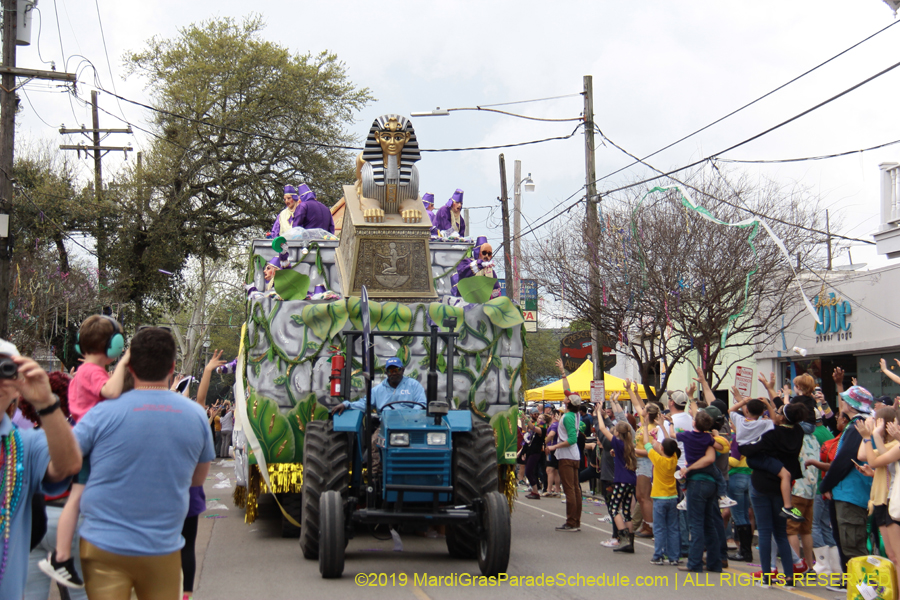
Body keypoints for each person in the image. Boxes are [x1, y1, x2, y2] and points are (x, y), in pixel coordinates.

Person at [72, 327, 215, 600]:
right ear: (172, 367)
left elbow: (67, 461)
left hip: (102, 544)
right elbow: (196, 481)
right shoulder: (196, 416)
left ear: (131, 367)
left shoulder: (100, 414)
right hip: (162, 546)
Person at [39, 315, 131, 589]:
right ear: (112, 345)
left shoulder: (86, 370)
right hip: (89, 443)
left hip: (88, 440)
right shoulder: (92, 371)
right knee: (77, 498)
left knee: (82, 498)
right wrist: (125, 363)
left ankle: (65, 555)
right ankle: (61, 556)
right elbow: (112, 392)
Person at [0, 339, 82, 600]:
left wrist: (46, 402)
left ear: (16, 388)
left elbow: (68, 465)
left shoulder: (23, 445)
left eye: (4, 369)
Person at [744, 402, 809, 587]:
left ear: (782, 417)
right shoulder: (798, 432)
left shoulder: (772, 433)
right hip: (784, 487)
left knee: (764, 531)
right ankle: (789, 576)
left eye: (779, 411)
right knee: (781, 532)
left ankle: (767, 574)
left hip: (763, 482)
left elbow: (751, 449)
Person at [331, 357, 426, 475]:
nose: (394, 373)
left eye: (396, 369)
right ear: (386, 373)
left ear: (402, 370)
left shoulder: (414, 385)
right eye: (390, 371)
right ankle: (375, 476)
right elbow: (364, 404)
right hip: (387, 425)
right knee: (375, 442)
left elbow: (421, 404)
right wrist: (346, 404)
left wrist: (410, 418)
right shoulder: (378, 390)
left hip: (411, 424)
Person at [819, 385, 874, 586]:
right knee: (848, 544)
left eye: (843, 400)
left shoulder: (858, 426)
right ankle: (855, 589)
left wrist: (825, 485)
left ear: (850, 404)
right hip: (848, 493)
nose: (840, 403)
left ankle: (863, 591)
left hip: (851, 494)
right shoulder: (857, 425)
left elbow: (844, 461)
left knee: (853, 547)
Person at [676, 409, 724, 573]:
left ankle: (695, 562)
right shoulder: (709, 439)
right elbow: (717, 450)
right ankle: (714, 562)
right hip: (711, 482)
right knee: (708, 524)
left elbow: (673, 435)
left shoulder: (690, 436)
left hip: (697, 482)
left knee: (695, 524)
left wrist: (688, 468)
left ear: (694, 422)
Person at [854, 409, 900, 567]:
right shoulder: (888, 444)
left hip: (890, 500)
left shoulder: (894, 444)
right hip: (880, 499)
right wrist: (867, 436)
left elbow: (878, 459)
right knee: (891, 555)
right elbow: (861, 455)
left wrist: (871, 436)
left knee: (894, 556)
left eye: (876, 420)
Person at [596, 392, 637, 553]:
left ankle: (624, 537)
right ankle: (631, 541)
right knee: (626, 511)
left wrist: (599, 413)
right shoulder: (630, 444)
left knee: (614, 508)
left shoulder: (618, 443)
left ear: (618, 433)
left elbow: (601, 428)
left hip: (621, 479)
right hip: (631, 479)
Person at [642, 409, 681, 565]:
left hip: (659, 497)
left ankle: (658, 555)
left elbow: (646, 444)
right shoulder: (674, 458)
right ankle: (674, 557)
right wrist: (663, 427)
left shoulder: (657, 459)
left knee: (659, 528)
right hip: (672, 497)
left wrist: (645, 426)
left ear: (662, 449)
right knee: (673, 528)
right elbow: (670, 441)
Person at [547, 360, 582, 532]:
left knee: (570, 490)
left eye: (567, 397)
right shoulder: (573, 414)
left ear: (568, 403)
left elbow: (573, 439)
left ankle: (571, 522)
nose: (565, 395)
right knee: (575, 489)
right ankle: (575, 521)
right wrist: (562, 372)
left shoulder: (567, 417)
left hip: (567, 456)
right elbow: (566, 388)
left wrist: (554, 447)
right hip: (573, 456)